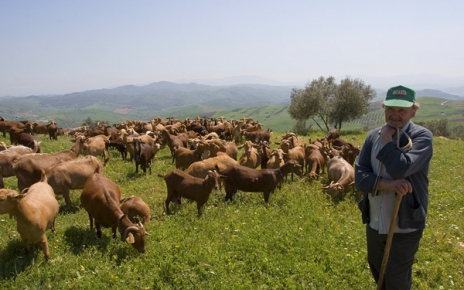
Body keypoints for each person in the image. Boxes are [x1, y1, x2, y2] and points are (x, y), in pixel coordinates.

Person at [355, 85, 433, 289]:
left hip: (404, 224)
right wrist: (387, 184)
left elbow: (400, 167)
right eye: (390, 109)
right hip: (375, 221)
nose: (395, 115)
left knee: (396, 280)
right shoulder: (372, 136)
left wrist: (387, 138)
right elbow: (359, 177)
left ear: (413, 111)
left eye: (402, 111)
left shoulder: (422, 137)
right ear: (384, 108)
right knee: (378, 272)